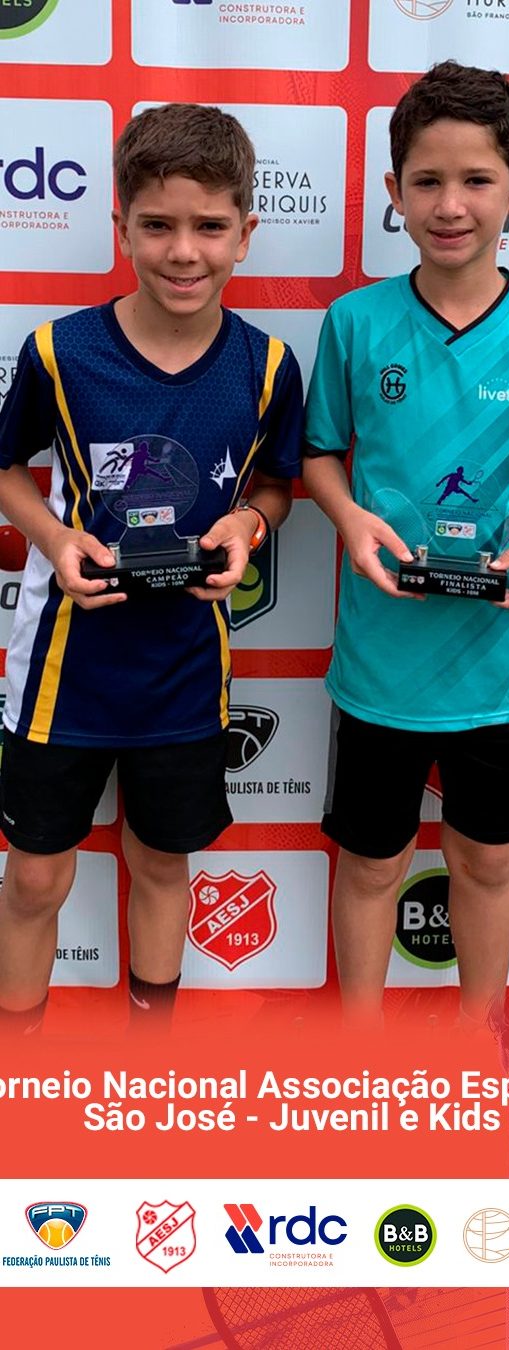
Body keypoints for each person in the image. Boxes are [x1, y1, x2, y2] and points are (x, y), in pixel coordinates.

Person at [0, 102, 302, 1033]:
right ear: (121, 225)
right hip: (65, 668)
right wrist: (55, 540)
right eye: (158, 225)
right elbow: (7, 471)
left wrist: (248, 523)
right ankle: (19, 1062)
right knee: (36, 877)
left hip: (184, 669)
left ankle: (149, 1057)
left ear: (245, 234)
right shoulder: (59, 351)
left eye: (209, 227)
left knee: (163, 863)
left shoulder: (266, 366)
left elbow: (276, 486)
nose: (183, 251)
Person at [303, 60, 509, 1029]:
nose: (449, 204)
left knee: (484, 860)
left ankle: (473, 1046)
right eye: (426, 180)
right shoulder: (355, 322)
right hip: (379, 663)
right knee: (370, 862)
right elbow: (320, 455)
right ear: (392, 190)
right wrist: (348, 517)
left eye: (475, 180)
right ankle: (359, 1051)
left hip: (498, 665)